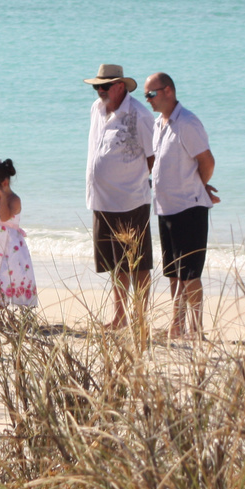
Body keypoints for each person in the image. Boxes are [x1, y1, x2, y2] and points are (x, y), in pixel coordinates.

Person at [145, 72, 218, 338]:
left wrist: (199, 186)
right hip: (165, 208)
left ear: (167, 91)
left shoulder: (187, 122)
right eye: (145, 95)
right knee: (173, 274)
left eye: (151, 94)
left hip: (190, 208)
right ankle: (178, 325)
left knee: (190, 273)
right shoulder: (158, 124)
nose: (148, 100)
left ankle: (196, 330)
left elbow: (207, 161)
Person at [85, 64, 156, 330]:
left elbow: (153, 157)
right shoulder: (97, 109)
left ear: (120, 86)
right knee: (116, 264)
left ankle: (139, 318)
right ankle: (119, 316)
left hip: (130, 200)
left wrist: (130, 179)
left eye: (104, 86)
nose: (99, 91)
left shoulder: (140, 115)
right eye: (96, 87)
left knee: (137, 262)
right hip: (101, 200)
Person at [0, 160, 38, 309]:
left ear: (4, 183)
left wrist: (3, 196)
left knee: (10, 273)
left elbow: (4, 217)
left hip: (9, 245)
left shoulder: (13, 199)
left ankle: (20, 307)